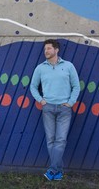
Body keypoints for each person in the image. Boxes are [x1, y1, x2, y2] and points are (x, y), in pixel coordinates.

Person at [30, 39, 80, 181]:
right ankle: (58, 171)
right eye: (45, 49)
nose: (46, 51)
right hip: (48, 108)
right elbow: (33, 87)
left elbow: (76, 86)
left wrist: (70, 102)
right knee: (50, 139)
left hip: (64, 109)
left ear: (56, 50)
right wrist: (41, 101)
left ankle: (52, 170)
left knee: (61, 140)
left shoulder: (69, 66)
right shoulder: (40, 68)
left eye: (49, 48)